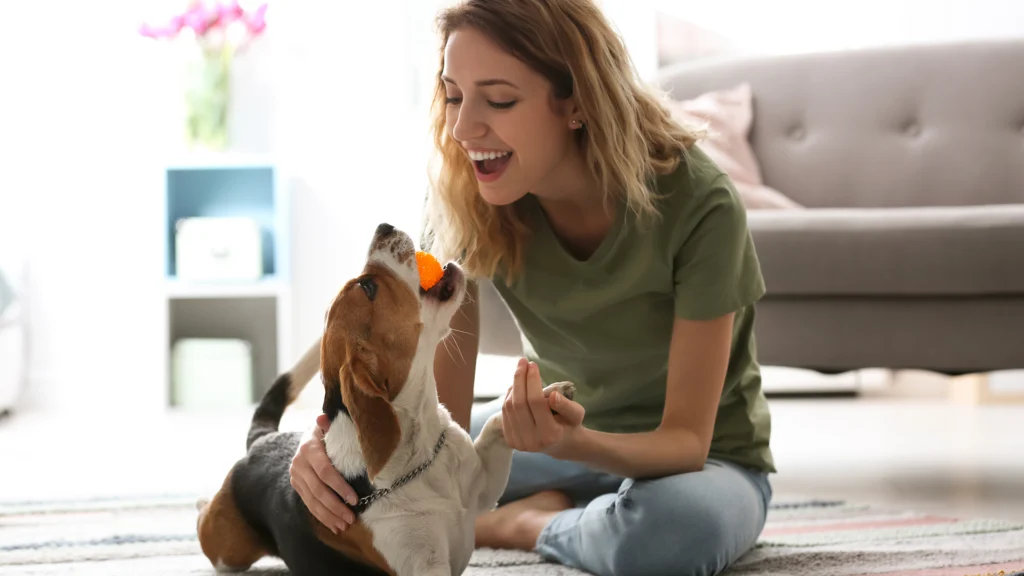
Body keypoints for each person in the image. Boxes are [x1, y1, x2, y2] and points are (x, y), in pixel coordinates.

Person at [289, 1, 774, 574]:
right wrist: (321, 451)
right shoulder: (463, 200)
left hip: (704, 465)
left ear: (576, 103)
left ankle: (527, 523)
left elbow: (688, 441)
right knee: (360, 467)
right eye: (452, 95)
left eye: (498, 100)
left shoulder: (700, 203)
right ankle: (575, 509)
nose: (463, 128)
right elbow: (440, 411)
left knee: (668, 539)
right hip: (545, 434)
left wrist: (573, 444)